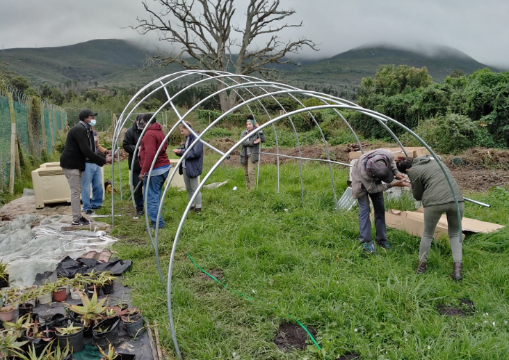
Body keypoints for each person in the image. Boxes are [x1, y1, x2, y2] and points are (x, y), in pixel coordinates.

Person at [396, 156, 464, 280]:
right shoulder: (437, 161)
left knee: (427, 234)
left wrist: (412, 186)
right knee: (455, 234)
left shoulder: (413, 171)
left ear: (406, 169)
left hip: (434, 203)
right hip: (457, 200)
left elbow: (417, 196)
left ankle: (421, 268)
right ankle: (457, 271)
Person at [351, 149, 409, 253]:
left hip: (375, 179)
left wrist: (396, 172)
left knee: (380, 209)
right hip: (361, 182)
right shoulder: (365, 173)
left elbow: (392, 163)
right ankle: (365, 241)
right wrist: (393, 184)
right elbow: (372, 189)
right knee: (365, 210)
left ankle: (381, 240)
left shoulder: (388, 155)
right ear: (374, 175)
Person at [60, 109, 112, 226]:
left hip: (76, 164)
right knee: (75, 191)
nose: (93, 119)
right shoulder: (79, 130)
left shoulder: (86, 130)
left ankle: (78, 216)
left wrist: (104, 155)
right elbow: (86, 151)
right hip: (71, 164)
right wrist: (104, 160)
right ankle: (76, 219)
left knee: (77, 190)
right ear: (85, 119)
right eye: (91, 117)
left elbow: (91, 149)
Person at [138, 114, 171, 229]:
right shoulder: (159, 131)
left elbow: (150, 154)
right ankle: (157, 220)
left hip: (155, 170)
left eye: (143, 122)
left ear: (147, 121)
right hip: (164, 167)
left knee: (151, 198)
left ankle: (157, 224)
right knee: (155, 195)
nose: (142, 125)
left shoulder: (149, 134)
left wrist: (143, 171)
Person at [172, 121, 204, 213]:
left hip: (193, 166)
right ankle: (191, 206)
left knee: (195, 188)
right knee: (188, 188)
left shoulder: (196, 138)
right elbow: (187, 150)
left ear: (187, 128)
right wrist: (180, 150)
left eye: (182, 131)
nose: (182, 133)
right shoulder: (188, 138)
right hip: (185, 166)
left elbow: (195, 153)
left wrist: (181, 152)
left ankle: (198, 208)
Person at [81, 122, 111, 215]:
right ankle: (87, 207)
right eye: (91, 118)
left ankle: (96, 204)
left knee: (98, 184)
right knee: (86, 186)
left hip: (96, 162)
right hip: (87, 163)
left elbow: (97, 146)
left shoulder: (94, 133)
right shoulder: (81, 134)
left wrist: (106, 151)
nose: (93, 120)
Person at [123, 113, 145, 218]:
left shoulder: (148, 130)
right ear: (136, 122)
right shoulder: (130, 132)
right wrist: (137, 148)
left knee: (150, 187)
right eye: (141, 123)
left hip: (148, 164)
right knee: (137, 187)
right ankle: (139, 208)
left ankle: (151, 207)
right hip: (136, 164)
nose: (143, 125)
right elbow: (126, 145)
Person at [239, 114, 265, 189]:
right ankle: (248, 188)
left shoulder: (257, 133)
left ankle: (253, 190)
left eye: (250, 124)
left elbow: (263, 139)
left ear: (253, 124)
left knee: (250, 172)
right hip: (244, 155)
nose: (248, 126)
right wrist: (253, 142)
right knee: (246, 173)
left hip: (252, 156)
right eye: (247, 124)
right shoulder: (244, 133)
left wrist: (259, 129)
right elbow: (243, 142)